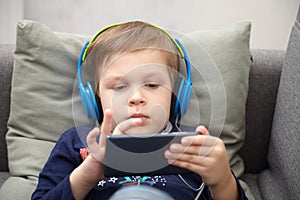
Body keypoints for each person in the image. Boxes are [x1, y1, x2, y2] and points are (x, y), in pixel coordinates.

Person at [31, 21, 248, 200]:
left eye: (152, 85)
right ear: (93, 96)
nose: (136, 98)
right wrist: (86, 176)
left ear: (177, 93)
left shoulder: (191, 144)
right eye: (119, 86)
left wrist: (223, 181)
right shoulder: (77, 143)